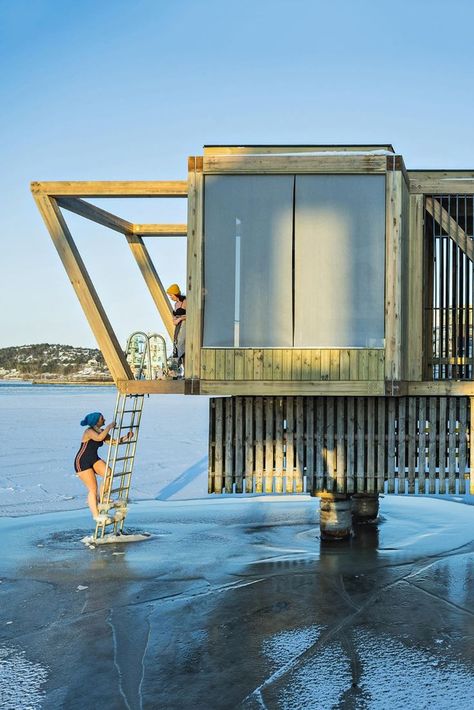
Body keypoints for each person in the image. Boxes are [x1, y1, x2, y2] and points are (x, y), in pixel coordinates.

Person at [74, 412, 133, 522]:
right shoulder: (89, 431)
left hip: (94, 459)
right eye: (102, 418)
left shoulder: (102, 431)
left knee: (108, 473)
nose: (104, 419)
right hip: (82, 462)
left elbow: (113, 442)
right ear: (96, 421)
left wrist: (126, 438)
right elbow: (98, 438)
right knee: (92, 489)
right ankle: (96, 516)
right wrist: (109, 427)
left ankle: (102, 497)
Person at [166, 283, 186, 371]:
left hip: (185, 326)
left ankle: (175, 367)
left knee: (180, 344)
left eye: (171, 295)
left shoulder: (185, 301)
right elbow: (175, 316)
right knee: (176, 342)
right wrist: (174, 319)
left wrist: (180, 318)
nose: (171, 297)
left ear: (175, 294)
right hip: (178, 326)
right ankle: (177, 368)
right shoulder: (176, 304)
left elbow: (191, 314)